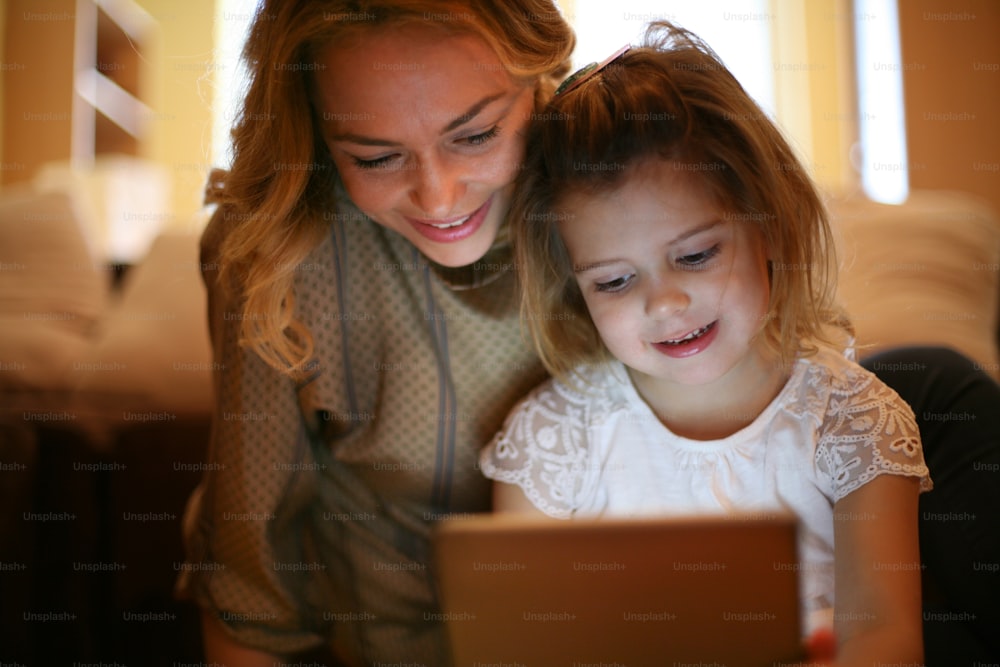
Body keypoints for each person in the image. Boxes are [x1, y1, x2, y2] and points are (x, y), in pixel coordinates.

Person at [480, 22, 933, 665]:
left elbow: (885, 639)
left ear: (768, 226)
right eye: (613, 280)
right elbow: (516, 642)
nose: (663, 303)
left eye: (694, 255)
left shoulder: (853, 423)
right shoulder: (554, 440)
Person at [176, 1, 574, 665]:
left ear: (541, 80)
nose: (440, 197)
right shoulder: (280, 257)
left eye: (475, 136)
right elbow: (251, 587)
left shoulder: (618, 179)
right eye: (378, 157)